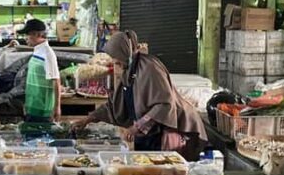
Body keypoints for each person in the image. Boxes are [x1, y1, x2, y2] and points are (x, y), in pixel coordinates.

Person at [74, 31, 207, 159]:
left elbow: (164, 105)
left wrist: (136, 127)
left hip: (173, 130)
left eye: (116, 58)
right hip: (148, 133)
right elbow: (115, 105)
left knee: (164, 174)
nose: (114, 62)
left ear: (124, 52)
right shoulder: (128, 71)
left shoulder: (149, 68)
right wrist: (89, 119)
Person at [19, 19, 61, 122]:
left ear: (37, 34)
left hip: (43, 109)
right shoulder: (38, 51)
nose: (25, 38)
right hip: (33, 106)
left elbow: (56, 81)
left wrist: (57, 107)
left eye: (27, 35)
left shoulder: (48, 54)